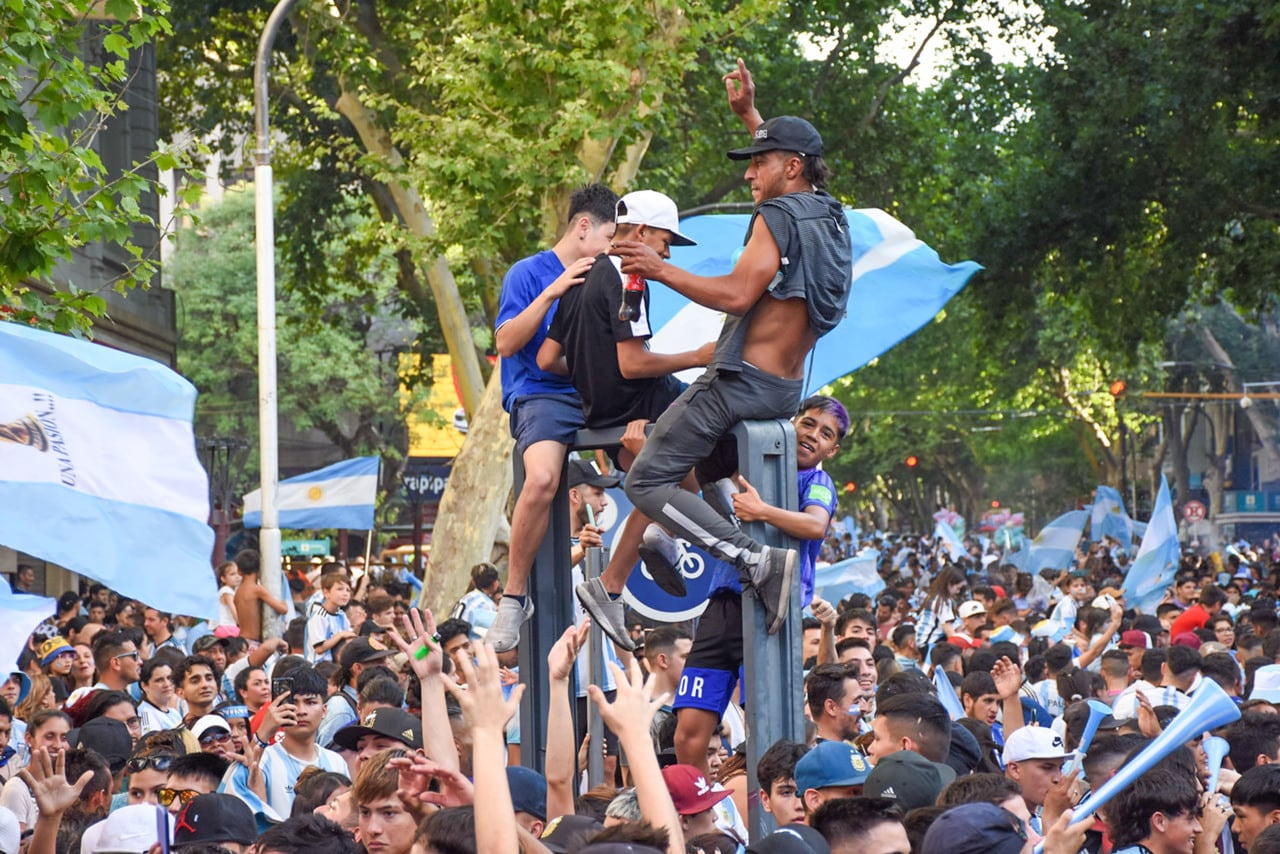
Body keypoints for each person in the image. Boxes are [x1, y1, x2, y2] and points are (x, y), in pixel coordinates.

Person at [590, 59, 854, 643]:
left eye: (757, 164)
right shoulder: (830, 216)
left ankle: (753, 559)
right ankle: (613, 585)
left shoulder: (777, 214)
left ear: (789, 168)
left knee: (645, 480)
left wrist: (662, 269)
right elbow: (793, 163)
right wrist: (752, 120)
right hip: (781, 388)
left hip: (738, 383)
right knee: (677, 470)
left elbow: (737, 292)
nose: (747, 177)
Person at [662, 396, 845, 773]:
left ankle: (772, 817)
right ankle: (702, 815)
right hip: (722, 608)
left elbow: (815, 525)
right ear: (791, 423)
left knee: (773, 735)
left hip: (772, 611)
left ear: (833, 448)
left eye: (825, 433)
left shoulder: (818, 481)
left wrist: (761, 511)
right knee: (687, 735)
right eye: (808, 423)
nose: (813, 435)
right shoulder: (747, 465)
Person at [487, 183, 620, 652]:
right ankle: (514, 595)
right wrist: (553, 292)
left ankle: (647, 550)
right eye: (609, 238)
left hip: (595, 392)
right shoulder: (527, 273)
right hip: (541, 395)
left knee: (664, 442)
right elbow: (505, 344)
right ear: (584, 227)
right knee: (541, 480)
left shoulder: (610, 276)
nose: (612, 250)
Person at [232, 550, 289, 646]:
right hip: (253, 642)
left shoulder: (238, 591)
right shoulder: (257, 590)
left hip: (242, 640)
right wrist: (284, 601)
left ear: (239, 571)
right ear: (260, 569)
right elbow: (283, 609)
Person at [305, 574, 355, 664]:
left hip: (336, 664)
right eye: (340, 589)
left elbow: (349, 637)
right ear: (326, 593)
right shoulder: (319, 616)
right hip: (319, 666)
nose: (345, 594)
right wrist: (340, 635)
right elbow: (319, 648)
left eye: (348, 590)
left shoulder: (341, 615)